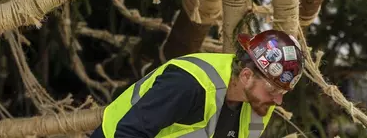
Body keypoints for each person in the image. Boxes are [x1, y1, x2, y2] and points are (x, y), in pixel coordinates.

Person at [92, 29, 305, 138]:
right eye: (274, 89)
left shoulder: (259, 105)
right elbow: (127, 133)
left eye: (284, 91)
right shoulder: (189, 83)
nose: (278, 100)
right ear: (247, 76)